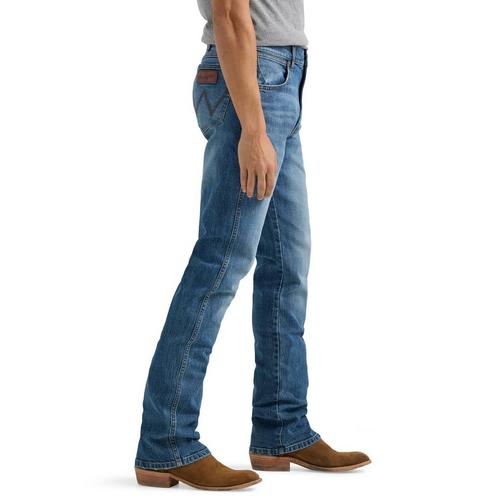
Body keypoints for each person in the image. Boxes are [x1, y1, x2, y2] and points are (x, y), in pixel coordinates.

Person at [134, 0, 370, 490]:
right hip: (251, 78)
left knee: (287, 266)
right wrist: (254, 128)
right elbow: (228, 12)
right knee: (220, 265)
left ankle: (282, 428)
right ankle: (166, 440)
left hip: (283, 79)